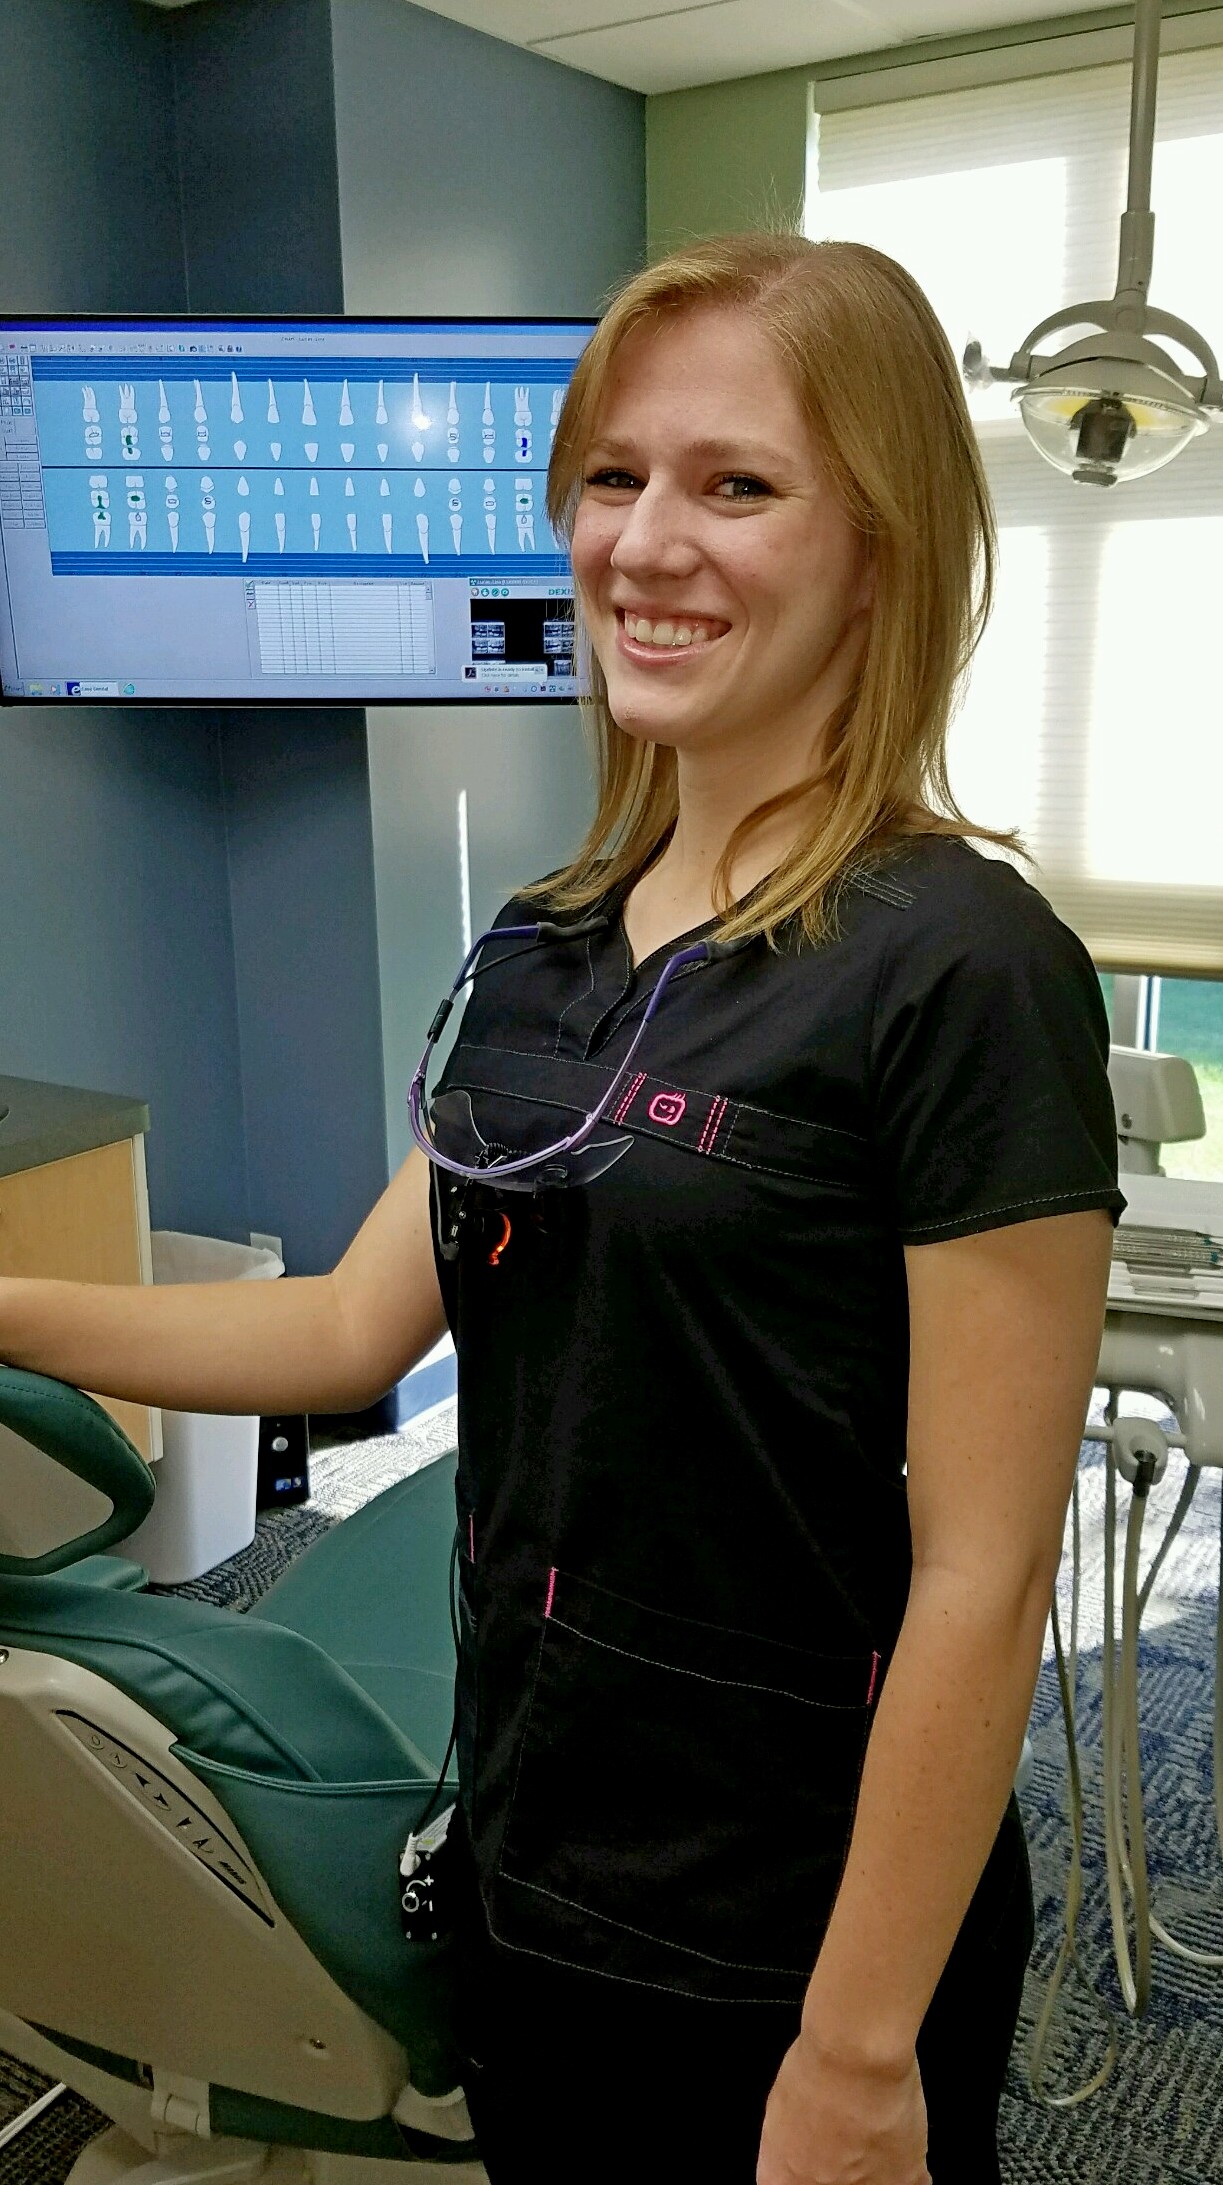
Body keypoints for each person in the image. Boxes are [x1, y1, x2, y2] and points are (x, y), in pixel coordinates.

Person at [0, 233, 1123, 2185]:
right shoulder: (544, 944)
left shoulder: (962, 966)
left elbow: (985, 1568)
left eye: (736, 484)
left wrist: (858, 2049)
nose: (646, 541)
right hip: (530, 1854)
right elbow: (343, 1327)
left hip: (792, 1925)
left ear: (878, 550)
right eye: (614, 475)